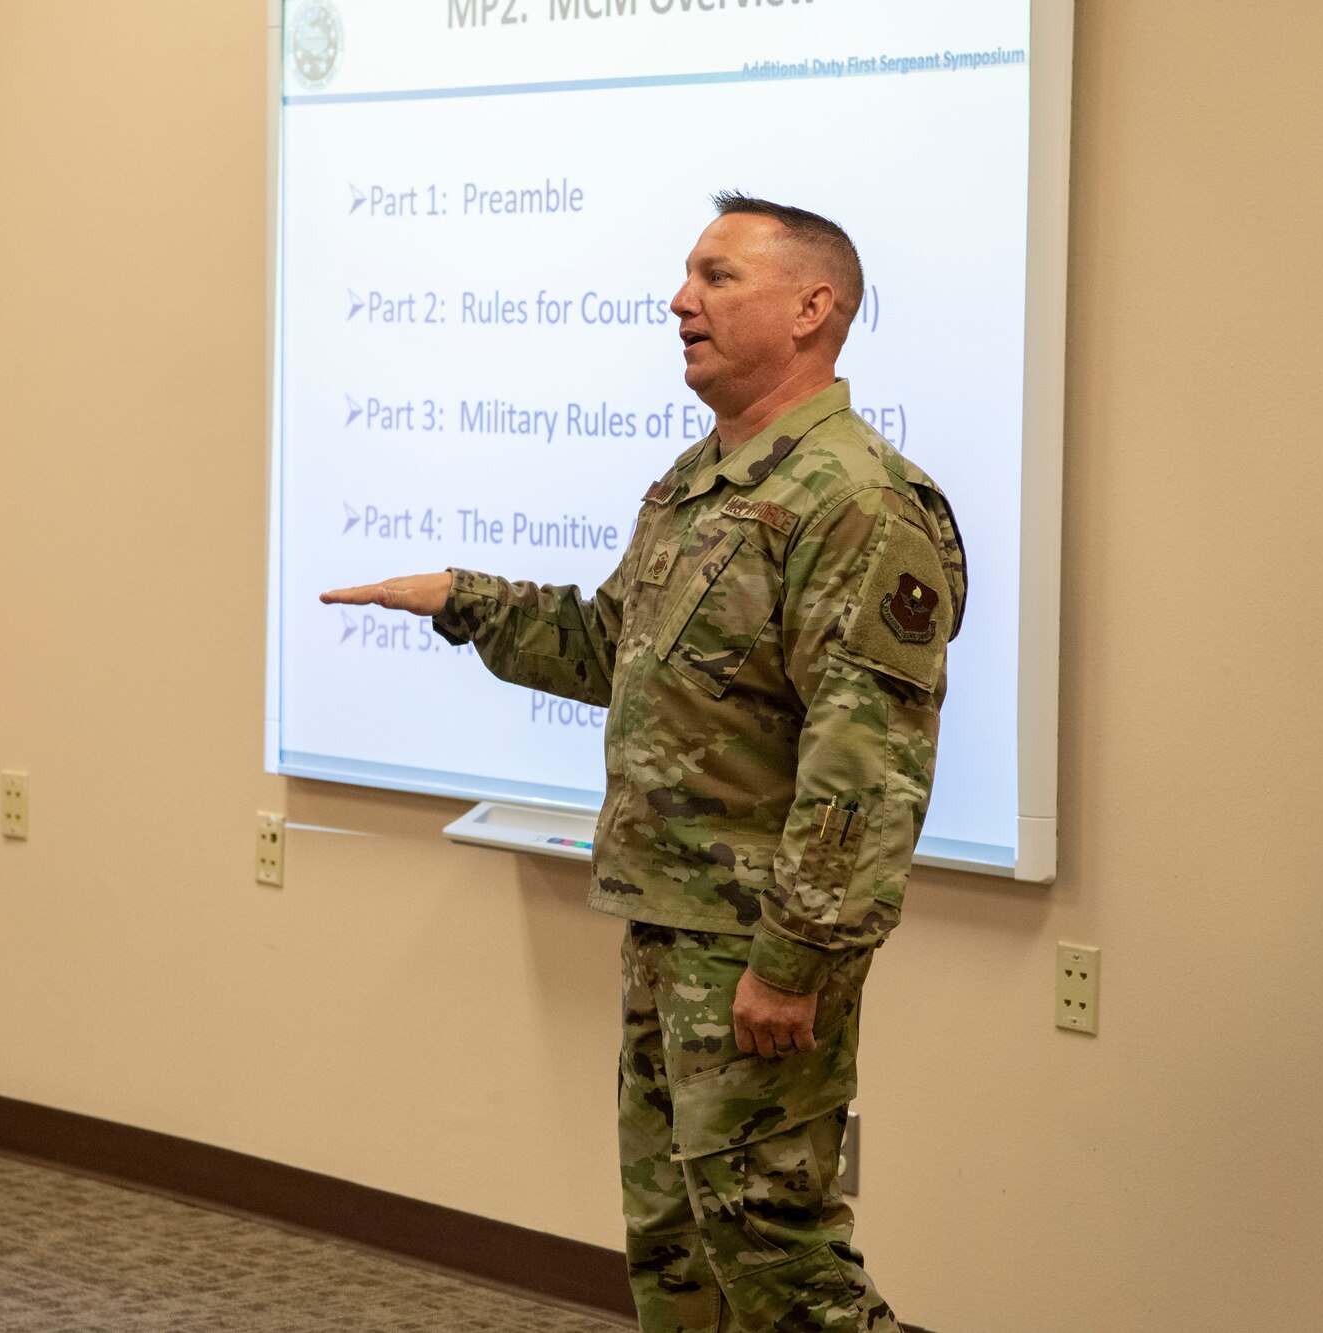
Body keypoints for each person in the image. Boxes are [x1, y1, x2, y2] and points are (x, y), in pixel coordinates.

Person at [322, 193, 966, 1333]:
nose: (679, 301)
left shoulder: (857, 500)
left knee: (781, 1269)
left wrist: (795, 956)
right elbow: (607, 648)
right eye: (686, 276)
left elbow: (863, 767)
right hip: (666, 922)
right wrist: (461, 600)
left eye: (717, 276)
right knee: (678, 1253)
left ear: (814, 306)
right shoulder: (702, 484)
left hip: (754, 947)